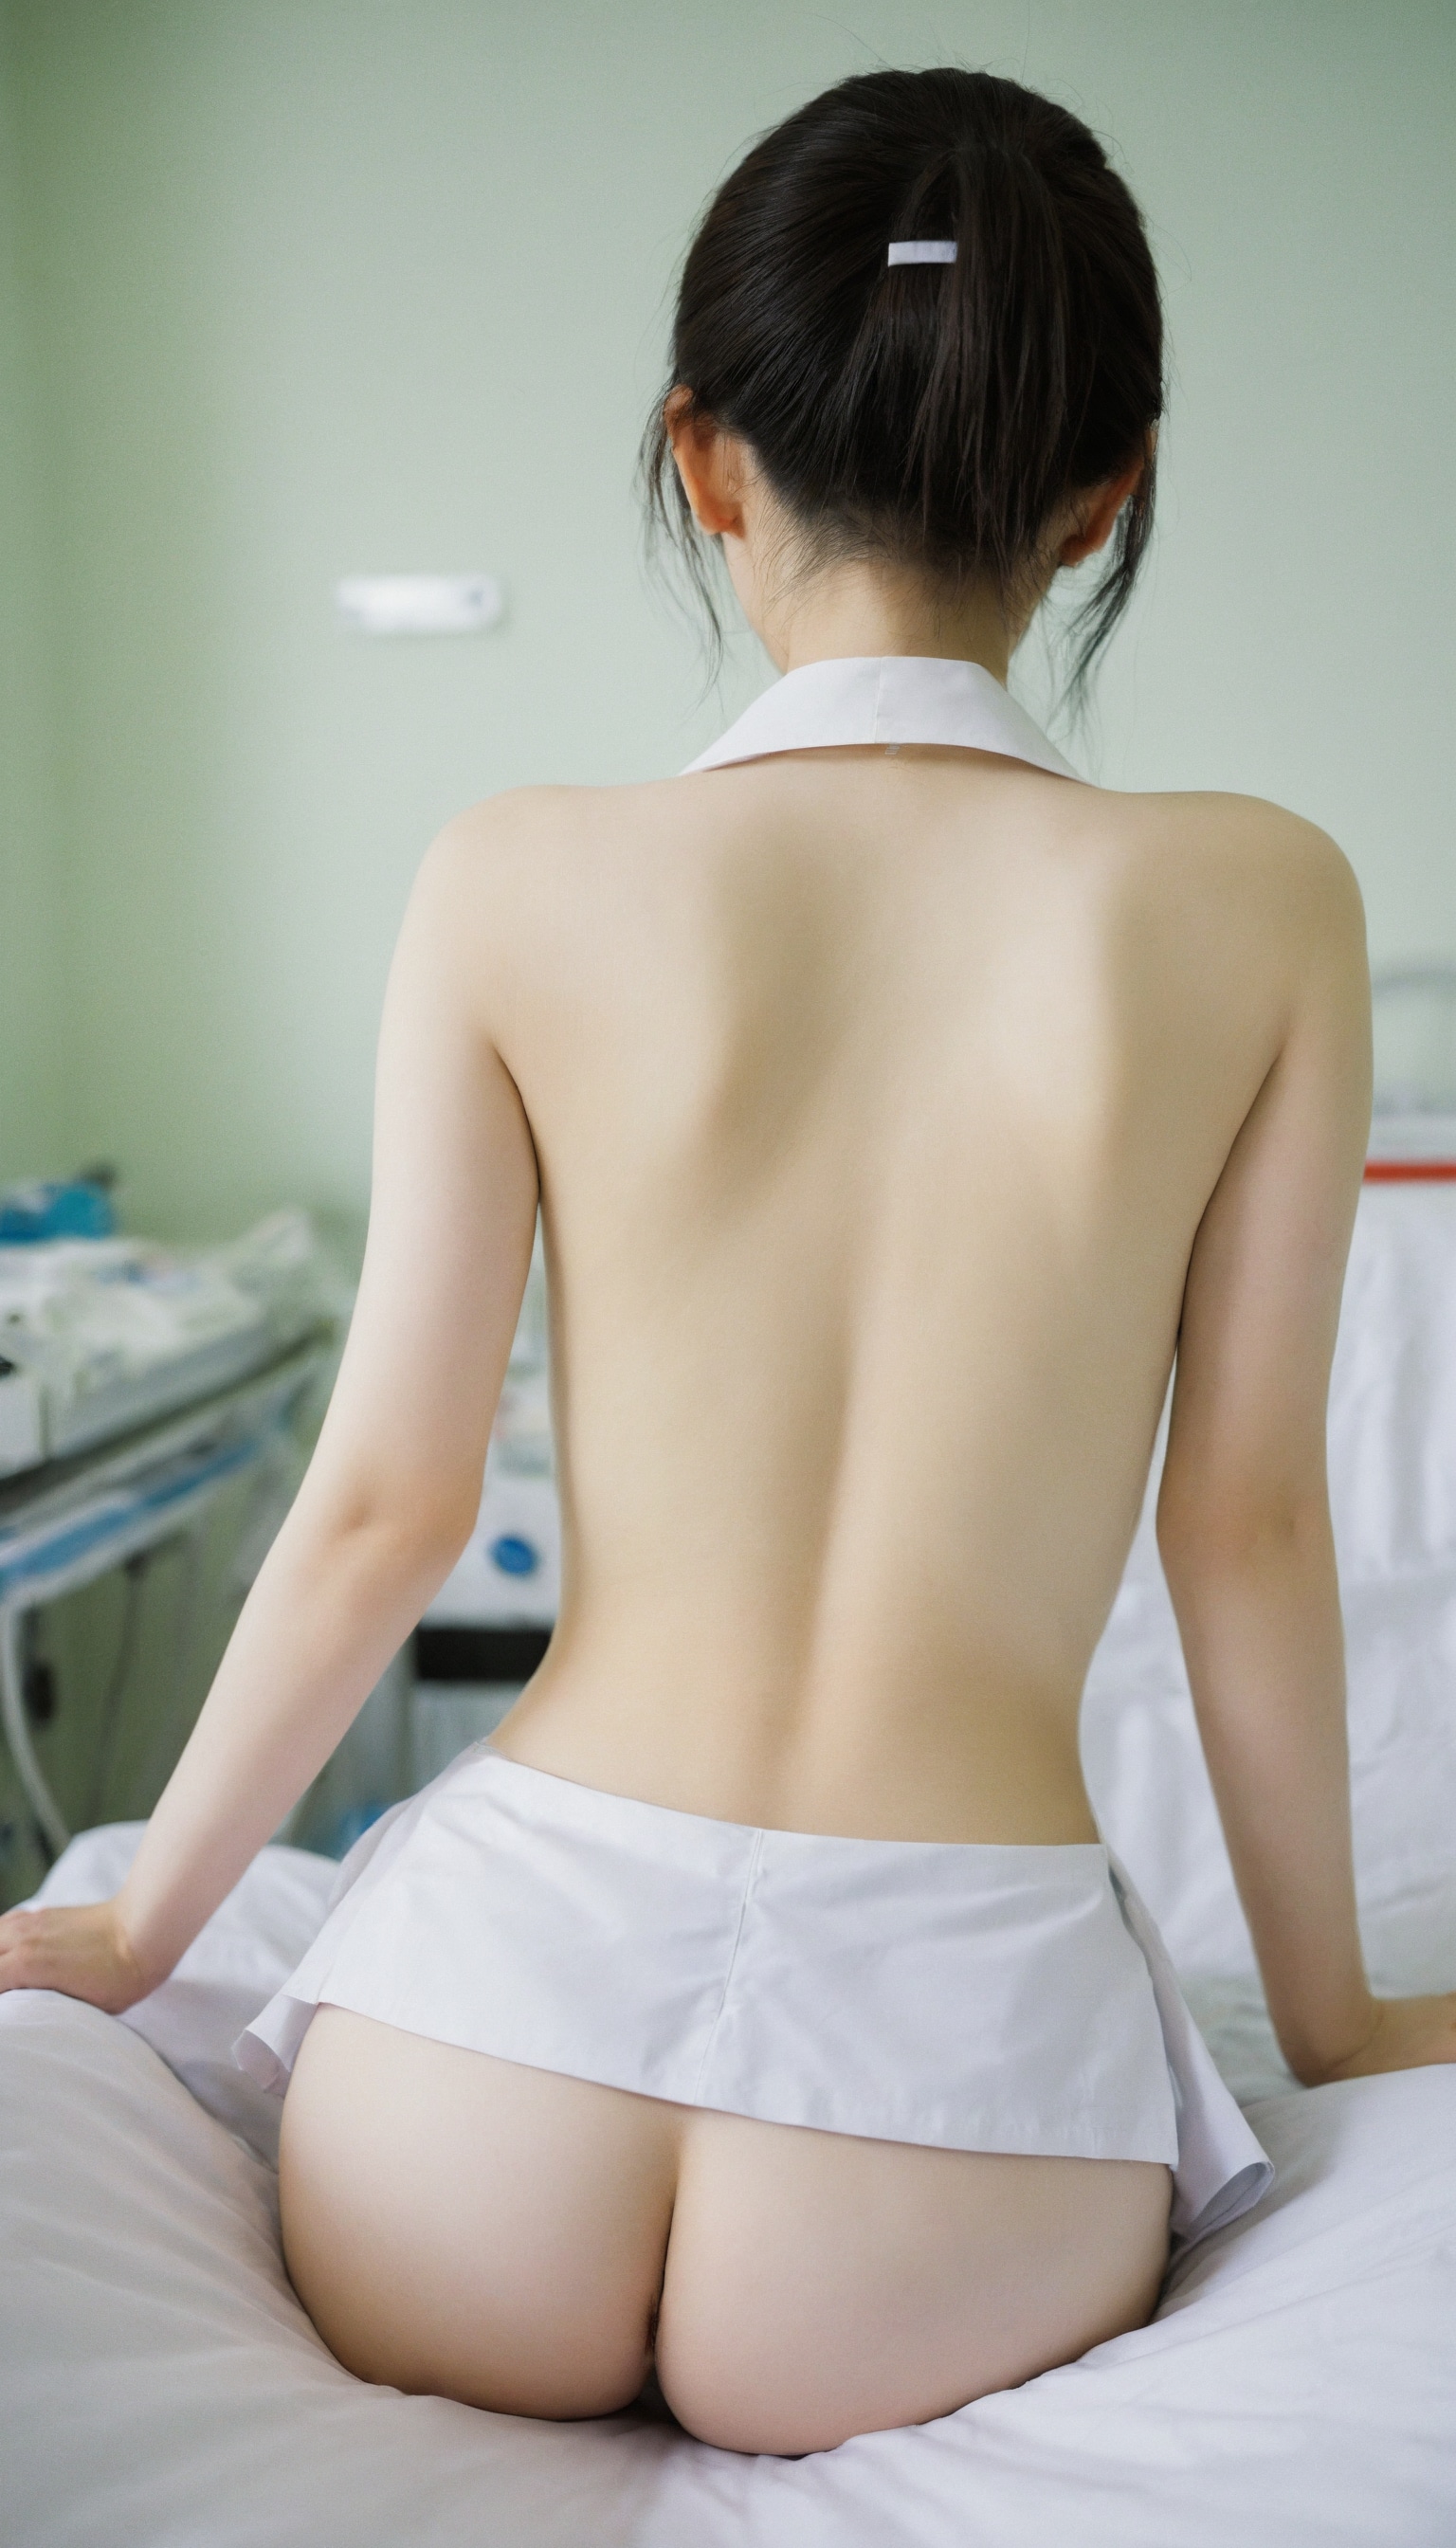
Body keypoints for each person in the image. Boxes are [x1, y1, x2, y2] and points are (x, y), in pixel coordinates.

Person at [3, 63, 1454, 2463]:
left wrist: (150, 1921)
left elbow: (385, 1504)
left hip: (474, 2092)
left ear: (705, 461)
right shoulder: (1262, 901)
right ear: (1108, 495)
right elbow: (1250, 1526)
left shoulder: (514, 874)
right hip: (954, 2157)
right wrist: (1335, 2023)